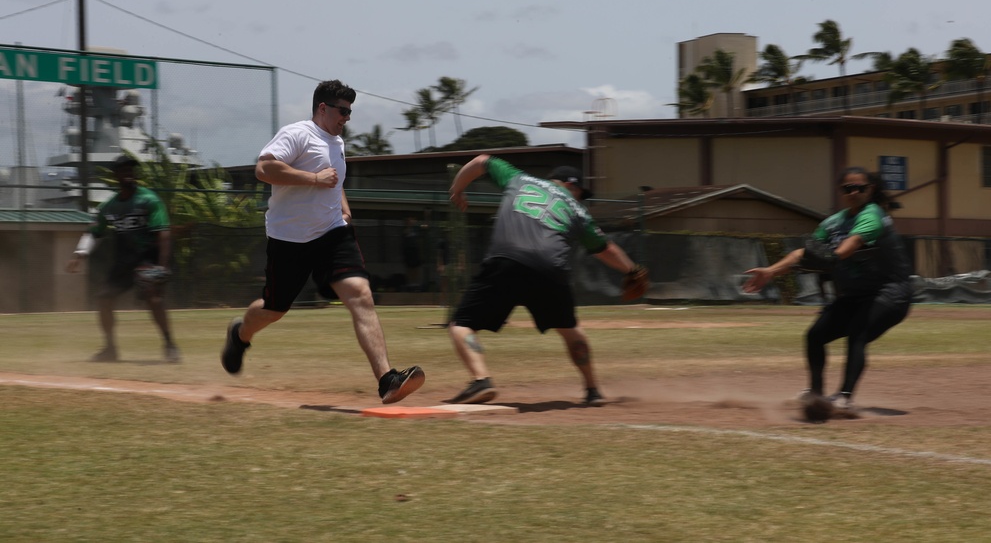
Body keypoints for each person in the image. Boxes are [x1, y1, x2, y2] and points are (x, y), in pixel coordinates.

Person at [220, 79, 425, 404]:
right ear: (323, 108)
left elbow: (334, 179)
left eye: (350, 112)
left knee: (360, 294)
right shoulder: (298, 133)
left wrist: (343, 208)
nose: (347, 117)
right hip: (289, 238)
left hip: (331, 234)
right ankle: (240, 334)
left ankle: (387, 379)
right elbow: (264, 168)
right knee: (274, 309)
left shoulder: (337, 143)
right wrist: (314, 179)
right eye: (343, 111)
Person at [446, 156, 642, 406]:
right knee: (570, 329)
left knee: (462, 324)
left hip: (506, 260)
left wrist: (458, 189)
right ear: (575, 187)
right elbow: (605, 249)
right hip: (551, 269)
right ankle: (593, 390)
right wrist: (632, 270)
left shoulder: (519, 178)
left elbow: (482, 160)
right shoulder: (578, 210)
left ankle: (481, 379)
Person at [742, 166, 913, 412]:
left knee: (858, 332)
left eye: (860, 188)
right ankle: (816, 393)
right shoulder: (833, 222)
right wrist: (771, 271)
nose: (853, 192)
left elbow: (849, 247)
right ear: (840, 191)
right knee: (815, 336)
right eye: (847, 188)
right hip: (856, 296)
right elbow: (804, 253)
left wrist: (832, 256)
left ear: (870, 189)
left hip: (891, 292)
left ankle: (844, 397)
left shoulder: (872, 216)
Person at [66, 154, 180, 363]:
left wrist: (162, 267)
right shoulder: (110, 207)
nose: (129, 174)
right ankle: (110, 349)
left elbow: (163, 234)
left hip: (148, 257)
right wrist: (79, 254)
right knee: (104, 299)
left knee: (153, 299)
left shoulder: (149, 200)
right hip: (125, 260)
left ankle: (170, 345)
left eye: (131, 170)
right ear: (116, 175)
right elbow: (94, 231)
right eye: (124, 170)